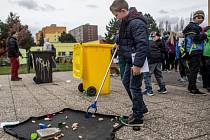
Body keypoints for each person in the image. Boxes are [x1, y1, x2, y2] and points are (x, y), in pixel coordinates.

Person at [110, 0, 149, 126]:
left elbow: (142, 45)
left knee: (134, 87)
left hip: (136, 61)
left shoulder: (136, 23)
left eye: (116, 15)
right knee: (126, 81)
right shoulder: (125, 22)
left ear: (123, 11)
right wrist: (117, 41)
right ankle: (141, 107)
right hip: (128, 59)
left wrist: (137, 65)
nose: (116, 18)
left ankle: (138, 117)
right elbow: (122, 36)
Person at [183, 10, 207, 95]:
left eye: (202, 18)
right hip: (194, 51)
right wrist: (204, 35)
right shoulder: (193, 27)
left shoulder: (193, 26)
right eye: (199, 17)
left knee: (193, 70)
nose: (201, 19)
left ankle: (191, 87)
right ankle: (193, 89)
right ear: (194, 17)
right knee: (194, 70)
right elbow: (195, 38)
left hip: (192, 51)